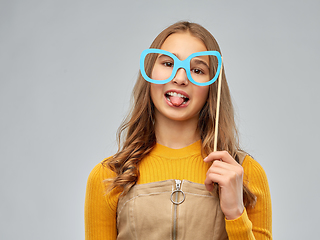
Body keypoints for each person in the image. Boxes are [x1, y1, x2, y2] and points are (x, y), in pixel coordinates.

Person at [85, 21, 272, 240]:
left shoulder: (244, 173)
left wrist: (235, 213)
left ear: (213, 86)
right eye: (167, 63)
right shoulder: (109, 176)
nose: (180, 78)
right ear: (149, 73)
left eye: (197, 69)